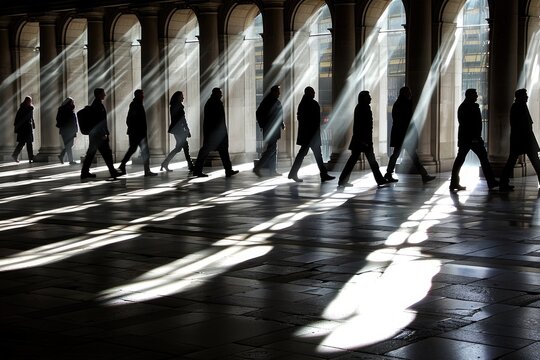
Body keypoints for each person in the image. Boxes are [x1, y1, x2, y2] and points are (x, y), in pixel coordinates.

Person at [449, 88, 499, 191]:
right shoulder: (469, 107)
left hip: (467, 139)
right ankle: (491, 182)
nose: (477, 96)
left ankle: (454, 183)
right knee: (483, 159)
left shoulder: (464, 107)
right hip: (472, 139)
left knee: (460, 160)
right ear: (470, 95)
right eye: (475, 94)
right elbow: (469, 124)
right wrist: (475, 138)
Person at [384, 86, 435, 183]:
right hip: (404, 135)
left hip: (401, 135)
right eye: (409, 93)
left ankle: (388, 173)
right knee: (409, 156)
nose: (410, 95)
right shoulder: (404, 104)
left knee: (397, 155)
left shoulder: (399, 104)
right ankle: (424, 175)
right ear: (405, 93)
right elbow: (407, 121)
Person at [338, 91, 387, 187]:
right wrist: (365, 141)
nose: (370, 98)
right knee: (371, 162)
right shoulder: (363, 108)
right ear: (364, 98)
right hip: (363, 140)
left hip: (360, 140)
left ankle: (342, 180)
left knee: (353, 161)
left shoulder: (361, 107)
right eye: (368, 96)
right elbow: (362, 126)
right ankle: (380, 180)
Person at [288, 86, 334, 183]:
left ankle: (293, 173)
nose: (314, 93)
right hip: (312, 136)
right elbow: (317, 121)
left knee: (305, 154)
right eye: (313, 92)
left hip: (306, 135)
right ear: (309, 93)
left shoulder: (302, 104)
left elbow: (301, 118)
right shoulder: (313, 104)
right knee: (317, 155)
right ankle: (323, 174)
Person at [499, 89, 540, 191]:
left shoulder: (517, 106)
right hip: (524, 139)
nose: (527, 97)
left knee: (512, 161)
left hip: (520, 139)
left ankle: (503, 182)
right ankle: (503, 182)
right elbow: (524, 125)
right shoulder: (519, 107)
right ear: (520, 96)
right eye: (525, 95)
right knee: (535, 161)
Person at [192, 87, 238, 177]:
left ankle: (228, 170)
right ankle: (198, 170)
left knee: (220, 151)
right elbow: (215, 120)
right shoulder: (214, 103)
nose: (221, 95)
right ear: (216, 93)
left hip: (215, 133)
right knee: (208, 151)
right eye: (220, 93)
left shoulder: (212, 102)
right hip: (215, 134)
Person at [80, 88, 121, 180]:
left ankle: (84, 172)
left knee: (92, 154)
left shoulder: (96, 104)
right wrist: (103, 133)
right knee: (106, 153)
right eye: (103, 93)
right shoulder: (98, 105)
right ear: (99, 94)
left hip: (95, 134)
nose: (105, 95)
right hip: (98, 135)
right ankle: (112, 171)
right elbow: (98, 121)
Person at [117, 89, 157, 177]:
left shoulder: (135, 104)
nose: (143, 96)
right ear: (138, 95)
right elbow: (132, 120)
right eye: (142, 94)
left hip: (136, 133)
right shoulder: (136, 105)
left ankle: (122, 166)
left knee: (132, 149)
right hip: (138, 133)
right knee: (144, 152)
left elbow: (129, 120)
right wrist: (139, 131)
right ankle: (146, 171)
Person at [253, 85, 285, 177]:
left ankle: (273, 170)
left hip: (273, 129)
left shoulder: (273, 101)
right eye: (278, 91)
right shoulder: (268, 102)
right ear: (274, 92)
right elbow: (258, 113)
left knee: (273, 149)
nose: (279, 93)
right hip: (271, 129)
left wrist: (281, 123)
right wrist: (263, 124)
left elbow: (278, 115)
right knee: (271, 150)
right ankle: (258, 167)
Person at [160, 91, 194, 172]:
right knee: (184, 147)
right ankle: (190, 165)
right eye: (181, 96)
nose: (183, 98)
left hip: (177, 129)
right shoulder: (178, 106)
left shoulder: (174, 106)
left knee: (179, 148)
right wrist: (187, 130)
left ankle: (165, 163)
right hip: (179, 130)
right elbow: (182, 120)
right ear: (178, 97)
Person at [12, 96, 35, 163]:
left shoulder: (23, 109)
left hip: (24, 128)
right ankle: (30, 157)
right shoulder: (28, 109)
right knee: (27, 143)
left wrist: (33, 123)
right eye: (29, 101)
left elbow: (31, 118)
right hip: (25, 128)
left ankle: (15, 155)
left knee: (23, 143)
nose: (30, 102)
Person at [56, 97, 78, 165]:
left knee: (68, 145)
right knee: (69, 145)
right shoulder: (69, 109)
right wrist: (75, 129)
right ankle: (68, 159)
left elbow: (58, 119)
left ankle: (64, 157)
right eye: (72, 102)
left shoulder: (61, 109)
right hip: (70, 130)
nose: (73, 103)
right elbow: (73, 120)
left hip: (64, 130)